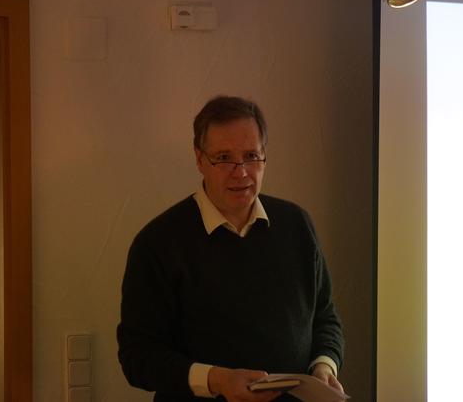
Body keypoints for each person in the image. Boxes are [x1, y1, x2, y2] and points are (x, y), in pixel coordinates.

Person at [117, 95, 345, 402]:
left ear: (265, 156)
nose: (241, 172)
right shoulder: (157, 243)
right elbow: (138, 357)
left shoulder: (297, 225)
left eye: (251, 156)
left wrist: (324, 367)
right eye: (224, 157)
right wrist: (217, 380)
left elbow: (325, 317)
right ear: (199, 159)